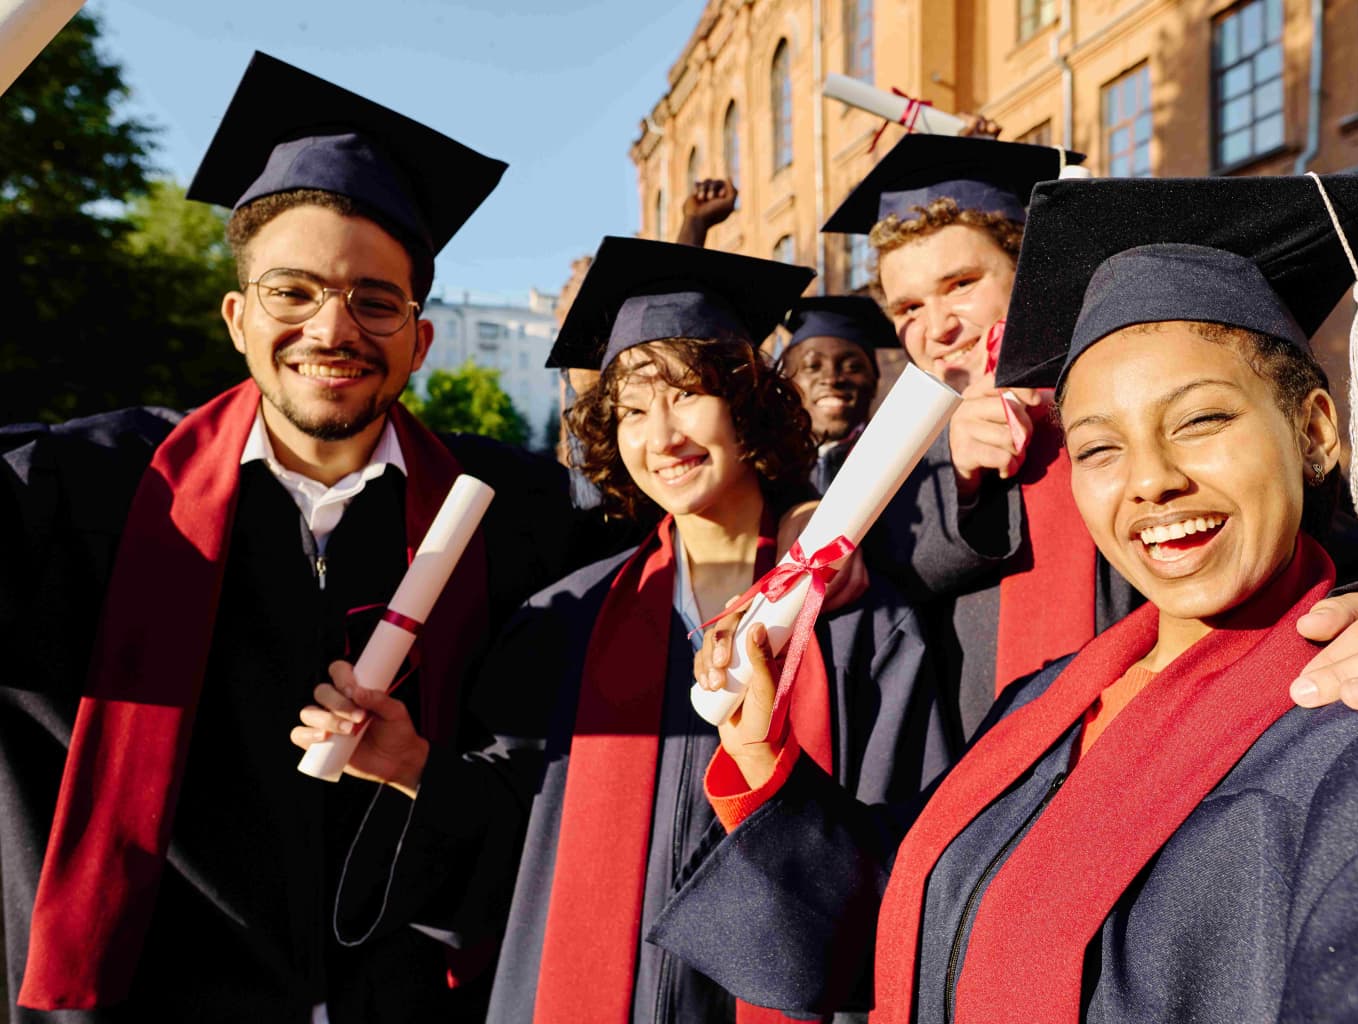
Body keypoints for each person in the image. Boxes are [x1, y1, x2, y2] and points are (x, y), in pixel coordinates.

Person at [661, 172, 1358, 1022]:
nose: (1150, 480)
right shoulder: (1042, 698)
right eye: (1099, 448)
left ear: (1313, 430)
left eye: (1201, 420)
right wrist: (763, 757)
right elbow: (924, 906)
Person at [0, 53, 580, 1022]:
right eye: (292, 292)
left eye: (375, 300)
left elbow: (552, 791)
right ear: (235, 317)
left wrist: (419, 772)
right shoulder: (77, 489)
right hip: (152, 996)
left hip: (408, 999)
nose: (333, 326)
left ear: (420, 338)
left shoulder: (518, 513)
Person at [291, 236, 952, 1023]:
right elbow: (515, 850)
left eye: (688, 394)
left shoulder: (863, 626)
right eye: (633, 409)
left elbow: (914, 864)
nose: (661, 435)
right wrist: (413, 768)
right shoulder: (561, 622)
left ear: (746, 401)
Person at [825, 133, 1358, 739]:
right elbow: (874, 607)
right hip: (995, 777)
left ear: (1032, 277)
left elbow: (1347, 558)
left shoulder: (1162, 392)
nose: (937, 324)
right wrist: (957, 480)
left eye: (961, 284)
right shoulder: (900, 468)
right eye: (908, 307)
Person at [779, 295, 901, 493]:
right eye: (813, 366)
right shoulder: (766, 473)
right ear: (788, 381)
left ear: (874, 379)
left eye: (852, 367)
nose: (832, 378)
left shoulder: (904, 461)